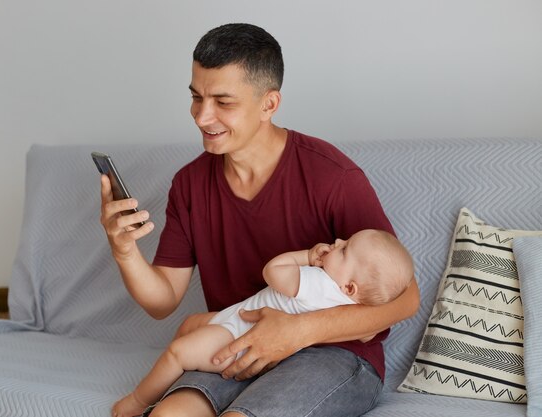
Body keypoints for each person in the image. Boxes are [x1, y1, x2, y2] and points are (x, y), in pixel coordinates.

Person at [100, 23, 420, 417]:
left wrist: (297, 333)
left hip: (333, 354)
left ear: (269, 104)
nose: (202, 116)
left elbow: (408, 298)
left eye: (223, 101)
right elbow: (163, 300)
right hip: (239, 339)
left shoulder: (333, 178)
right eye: (196, 97)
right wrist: (124, 251)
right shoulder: (189, 184)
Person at [111, 229, 414, 417]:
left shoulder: (317, 283)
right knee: (191, 328)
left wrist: (308, 256)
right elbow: (367, 331)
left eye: (345, 249)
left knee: (179, 350)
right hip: (241, 322)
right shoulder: (349, 303)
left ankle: (138, 399)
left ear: (349, 287)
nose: (336, 241)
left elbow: (274, 271)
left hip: (237, 334)